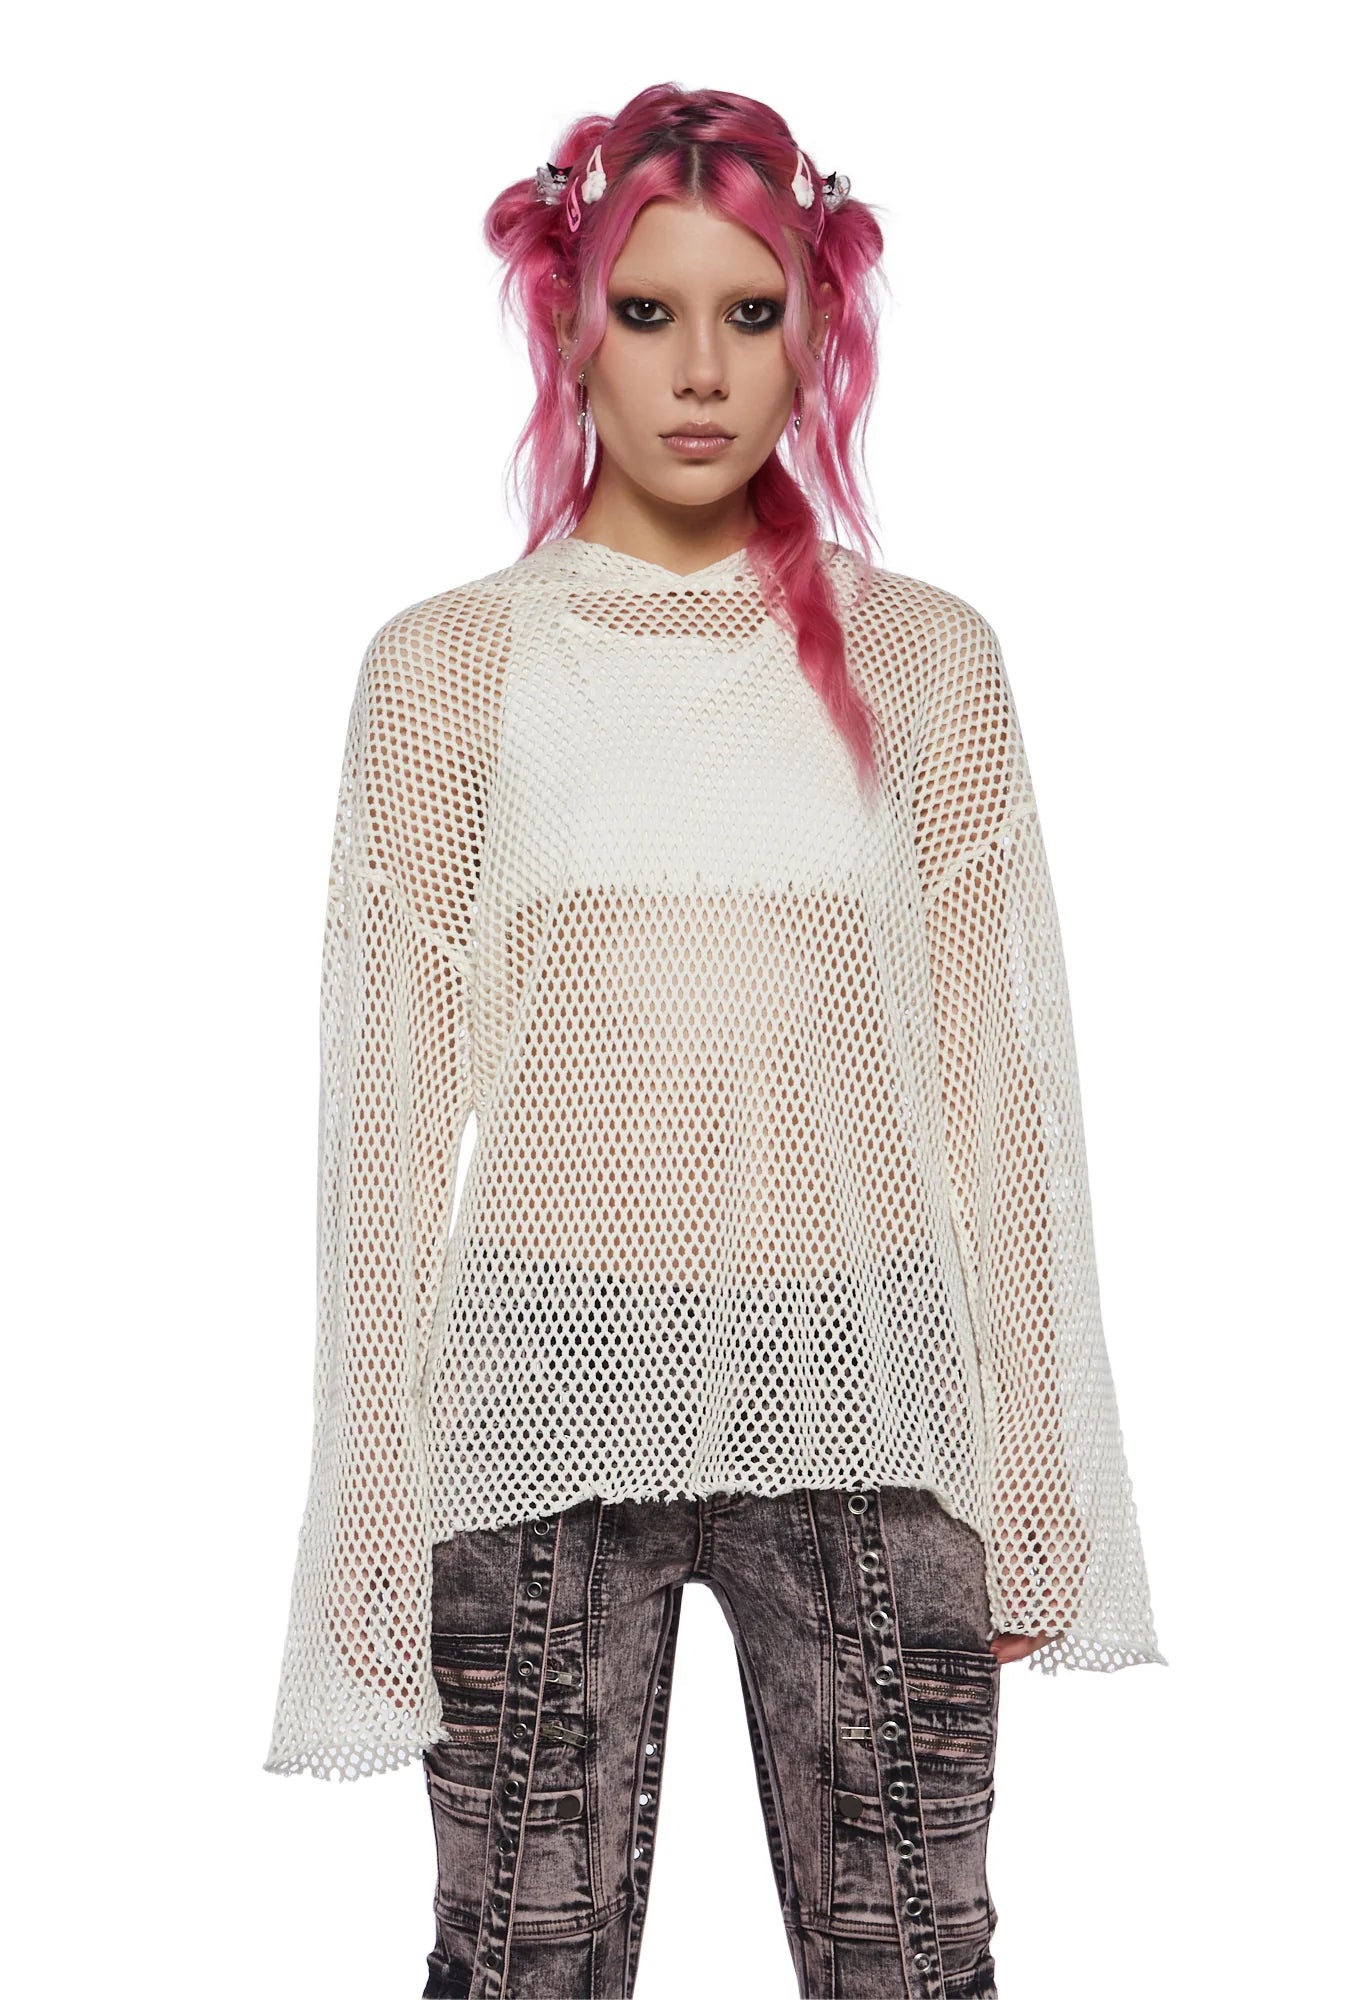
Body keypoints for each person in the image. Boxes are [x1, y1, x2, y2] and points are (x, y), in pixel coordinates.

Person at [263, 82, 1166, 2000]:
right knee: (523, 1951)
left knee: (906, 1952)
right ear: (568, 327)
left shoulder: (925, 658)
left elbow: (1000, 1084)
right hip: (541, 1368)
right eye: (648, 311)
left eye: (750, 314)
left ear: (815, 332)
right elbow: (382, 1111)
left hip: (862, 1367)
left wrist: (1033, 1444)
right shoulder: (449, 667)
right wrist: (368, 1485)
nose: (699, 370)